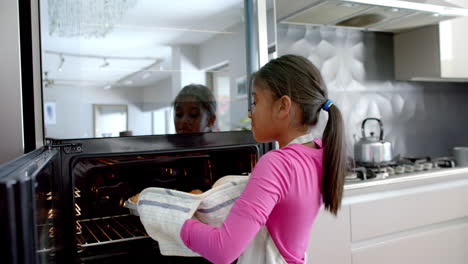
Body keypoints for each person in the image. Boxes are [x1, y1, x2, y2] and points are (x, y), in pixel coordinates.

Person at [179, 55, 346, 263]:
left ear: (283, 107)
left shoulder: (277, 163)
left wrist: (173, 219)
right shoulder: (320, 152)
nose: (251, 113)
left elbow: (223, 250)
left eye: (255, 102)